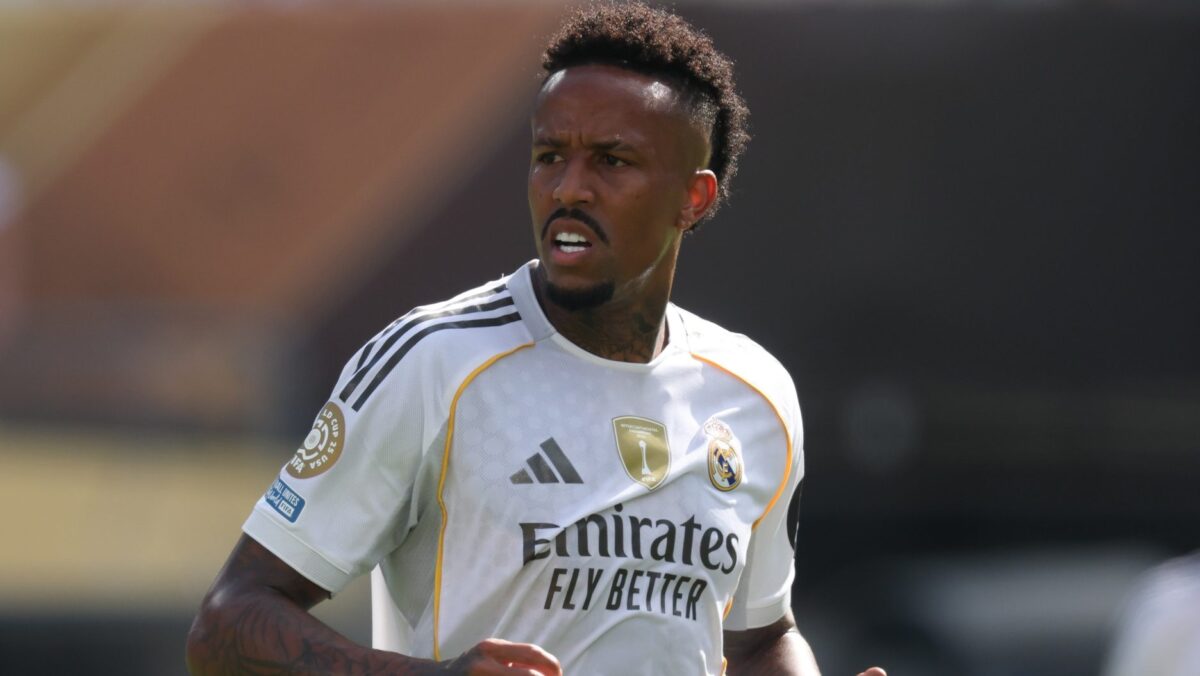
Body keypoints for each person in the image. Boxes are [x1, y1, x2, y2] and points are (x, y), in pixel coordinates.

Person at [186, 3, 885, 675]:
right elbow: (227, 624)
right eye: (550, 155)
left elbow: (761, 639)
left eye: (612, 161)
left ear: (693, 198)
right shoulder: (433, 362)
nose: (568, 189)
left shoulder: (754, 394)